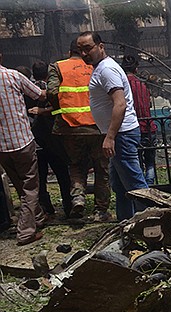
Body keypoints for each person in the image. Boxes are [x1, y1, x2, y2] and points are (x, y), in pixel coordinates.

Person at [77, 31, 148, 221]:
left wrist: (110, 137)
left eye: (88, 48)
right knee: (120, 185)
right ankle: (125, 223)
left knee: (136, 187)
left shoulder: (107, 69)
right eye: (80, 50)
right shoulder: (100, 68)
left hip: (121, 135)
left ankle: (153, 225)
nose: (84, 54)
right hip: (119, 134)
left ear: (101, 46)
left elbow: (120, 103)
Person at [47, 39, 110, 221]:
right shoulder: (97, 66)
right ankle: (101, 211)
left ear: (70, 52)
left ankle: (78, 198)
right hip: (96, 127)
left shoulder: (58, 67)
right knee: (101, 169)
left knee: (76, 165)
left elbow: (51, 92)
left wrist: (61, 108)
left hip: (70, 127)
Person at [0, 52, 48, 245]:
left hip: (1, 147)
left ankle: (39, 218)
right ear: (1, 57)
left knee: (20, 185)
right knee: (30, 187)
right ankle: (26, 232)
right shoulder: (13, 76)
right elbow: (40, 95)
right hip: (21, 141)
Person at [27, 61, 72, 218]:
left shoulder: (27, 90)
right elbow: (62, 107)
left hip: (35, 140)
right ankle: (68, 205)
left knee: (40, 177)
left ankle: (46, 208)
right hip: (54, 139)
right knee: (62, 174)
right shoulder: (53, 90)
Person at [121, 54, 158, 185]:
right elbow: (148, 104)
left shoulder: (121, 86)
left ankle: (142, 188)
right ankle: (150, 185)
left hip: (132, 129)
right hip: (149, 127)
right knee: (150, 162)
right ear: (136, 69)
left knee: (136, 162)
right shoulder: (142, 84)